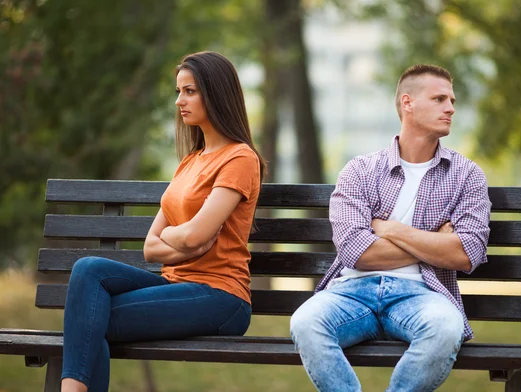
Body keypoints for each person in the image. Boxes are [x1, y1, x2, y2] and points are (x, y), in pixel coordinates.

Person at [61, 51, 266, 392]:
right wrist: (186, 239)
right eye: (178, 92)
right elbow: (151, 248)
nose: (179, 102)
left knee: (90, 320)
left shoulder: (240, 158)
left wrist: (184, 238)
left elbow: (195, 235)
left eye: (189, 91)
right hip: (175, 286)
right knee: (88, 269)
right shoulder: (189, 163)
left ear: (215, 94)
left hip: (221, 296)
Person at [290, 64, 491, 392]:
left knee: (445, 328)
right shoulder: (360, 171)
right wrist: (435, 243)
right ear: (408, 103)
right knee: (306, 323)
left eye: (452, 100)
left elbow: (467, 253)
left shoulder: (467, 175)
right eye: (440, 99)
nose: (451, 107)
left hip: (422, 295)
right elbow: (356, 251)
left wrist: (389, 229)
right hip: (351, 292)